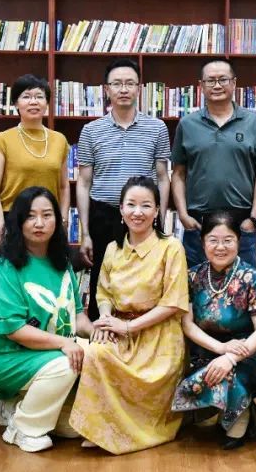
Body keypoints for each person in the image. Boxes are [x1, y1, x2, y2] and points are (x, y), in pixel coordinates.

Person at [68, 176, 189, 454]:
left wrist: (129, 328)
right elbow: (103, 293)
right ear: (121, 210)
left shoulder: (171, 248)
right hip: (119, 326)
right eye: (131, 205)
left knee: (151, 370)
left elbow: (173, 304)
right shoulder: (113, 249)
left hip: (158, 335)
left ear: (157, 211)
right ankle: (102, 428)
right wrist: (106, 320)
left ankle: (137, 430)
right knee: (96, 352)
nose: (138, 212)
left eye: (146, 205)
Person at [0, 187, 94, 453]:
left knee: (73, 429)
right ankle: (23, 428)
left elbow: (77, 316)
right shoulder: (7, 269)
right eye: (31, 216)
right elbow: (15, 331)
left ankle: (16, 405)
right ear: (18, 222)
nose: (40, 223)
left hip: (49, 352)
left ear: (58, 219)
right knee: (67, 364)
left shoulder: (62, 263)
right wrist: (64, 344)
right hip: (8, 356)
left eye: (47, 215)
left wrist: (97, 334)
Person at [77, 58, 171, 319]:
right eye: (117, 84)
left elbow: (163, 177)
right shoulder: (91, 131)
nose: (124, 89)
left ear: (139, 88)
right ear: (106, 89)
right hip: (104, 214)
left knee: (147, 277)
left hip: (143, 215)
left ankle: (143, 330)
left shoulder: (157, 128)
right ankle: (101, 332)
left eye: (130, 83)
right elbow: (83, 183)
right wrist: (85, 232)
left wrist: (160, 218)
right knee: (102, 277)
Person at [171, 211, 256, 449]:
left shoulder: (252, 278)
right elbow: (187, 325)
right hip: (206, 349)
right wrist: (220, 349)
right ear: (202, 242)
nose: (220, 247)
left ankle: (240, 416)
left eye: (228, 240)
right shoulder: (192, 276)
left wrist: (230, 357)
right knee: (186, 380)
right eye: (213, 240)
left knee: (229, 375)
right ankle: (235, 406)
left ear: (239, 241)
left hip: (248, 353)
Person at [171, 58, 256, 268]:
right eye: (210, 80)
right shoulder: (187, 124)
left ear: (234, 83)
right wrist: (182, 215)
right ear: (201, 85)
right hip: (198, 224)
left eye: (223, 79)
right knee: (198, 284)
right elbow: (178, 173)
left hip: (242, 223)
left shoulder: (253, 121)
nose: (217, 85)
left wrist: (254, 218)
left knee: (243, 284)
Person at [0, 74, 70, 249]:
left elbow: (64, 186)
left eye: (39, 96)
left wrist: (63, 220)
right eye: (26, 96)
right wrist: (0, 228)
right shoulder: (2, 140)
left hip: (48, 220)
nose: (33, 102)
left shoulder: (59, 140)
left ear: (47, 103)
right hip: (13, 219)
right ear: (16, 104)